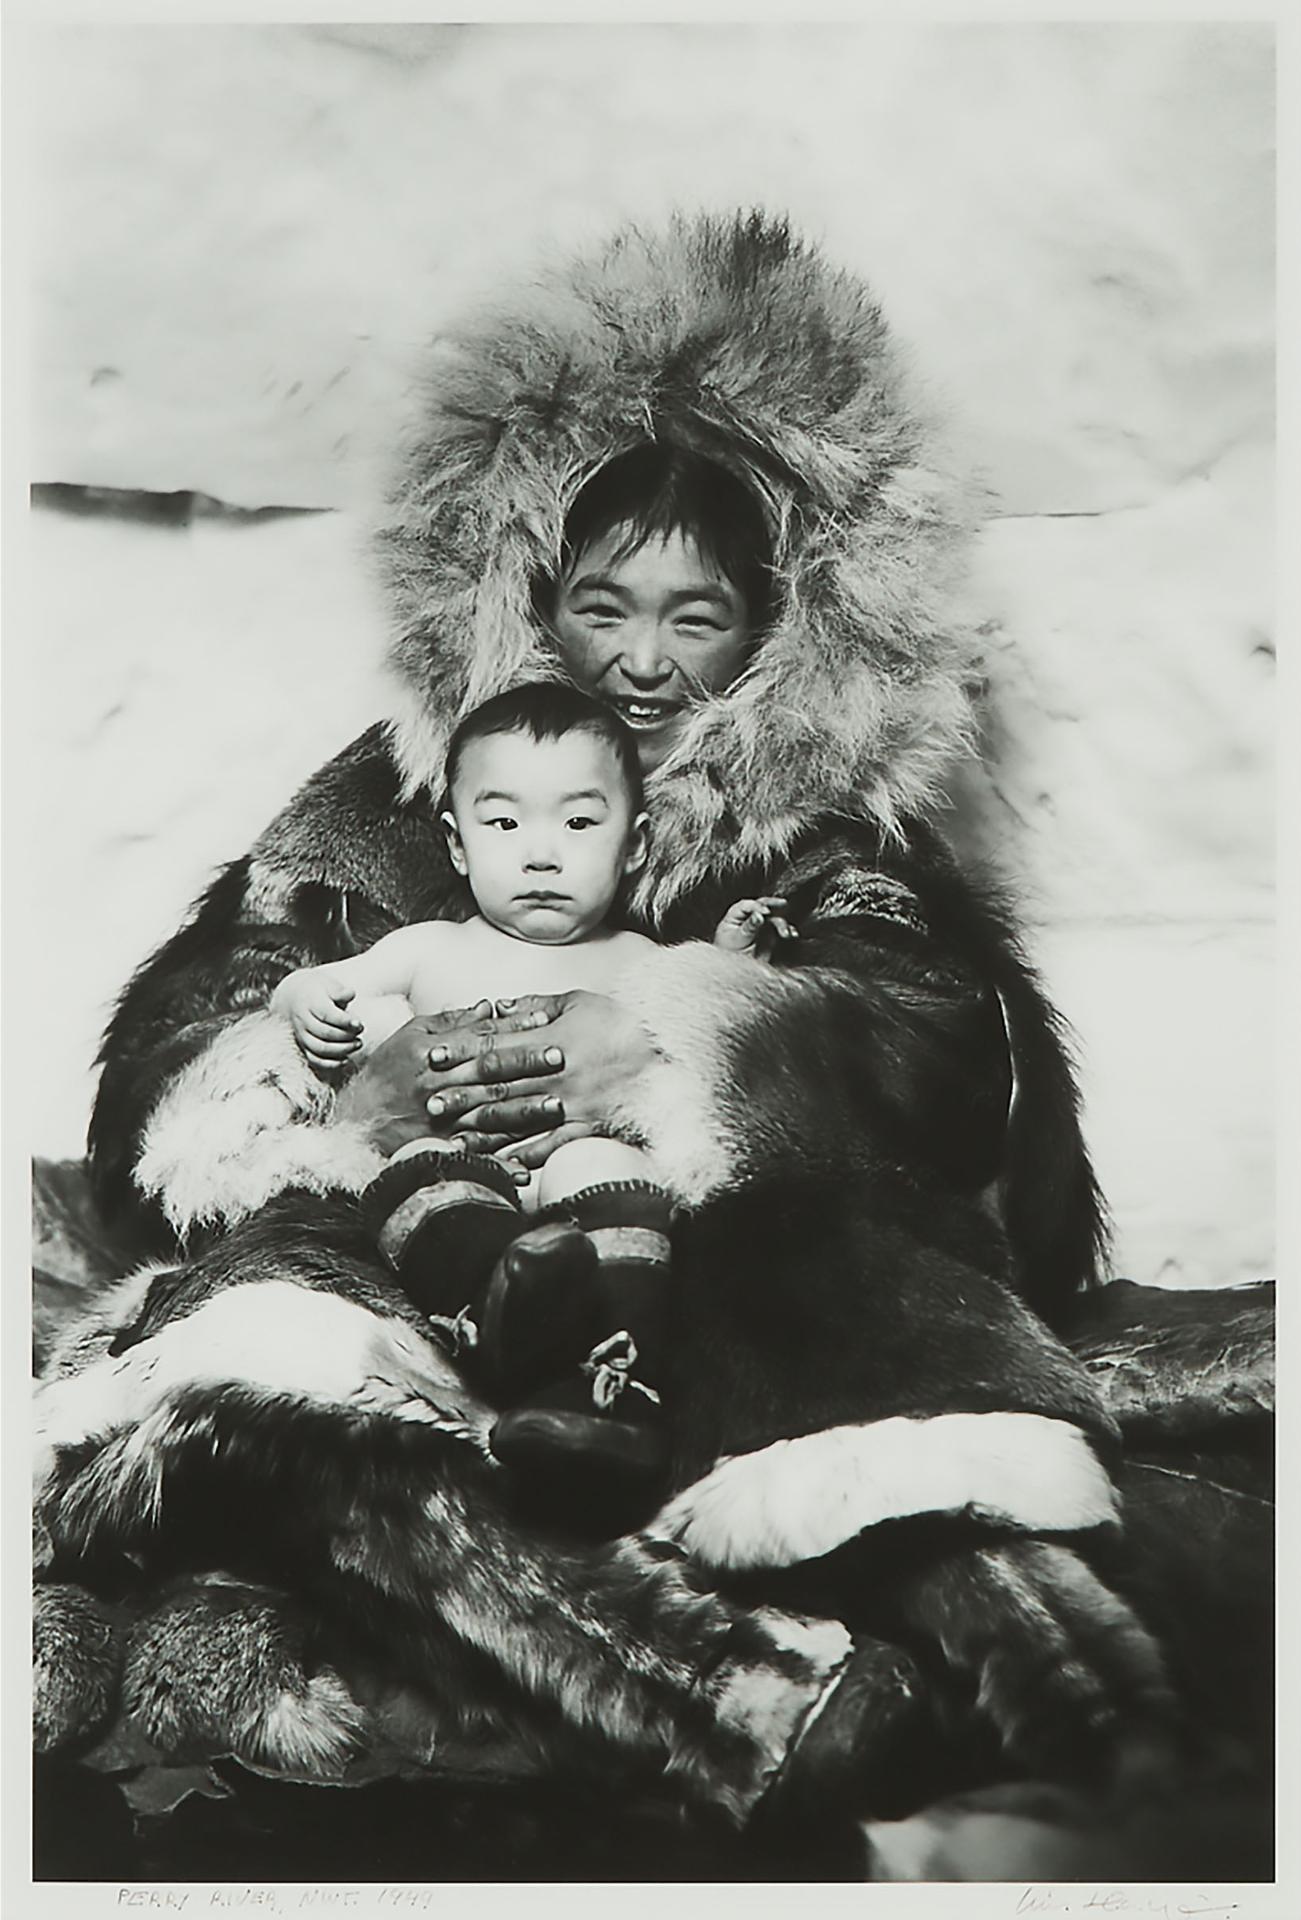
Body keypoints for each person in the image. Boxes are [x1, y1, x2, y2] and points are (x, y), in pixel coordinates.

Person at [34, 211, 1272, 1870]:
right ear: (525, 596)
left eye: (696, 621)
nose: (636, 659)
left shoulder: (827, 835)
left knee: (857, 1340)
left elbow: (945, 1059)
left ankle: (1047, 1690)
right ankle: (720, 1694)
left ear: (784, 624)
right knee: (271, 1360)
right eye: (600, 606)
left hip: (698, 1290)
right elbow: (195, 1024)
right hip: (446, 1251)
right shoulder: (411, 795)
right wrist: (320, 1071)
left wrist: (697, 1045)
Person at [271, 677, 791, 1477]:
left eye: (580, 822)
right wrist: (306, 997)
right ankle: (495, 1305)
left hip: (571, 1176)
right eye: (503, 822)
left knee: (614, 1168)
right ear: (456, 843)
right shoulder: (427, 948)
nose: (540, 852)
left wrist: (732, 967)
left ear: (636, 843)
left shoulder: (639, 961)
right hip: (457, 1177)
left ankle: (610, 1381)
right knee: (413, 1171)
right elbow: (315, 982)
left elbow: (699, 1036)